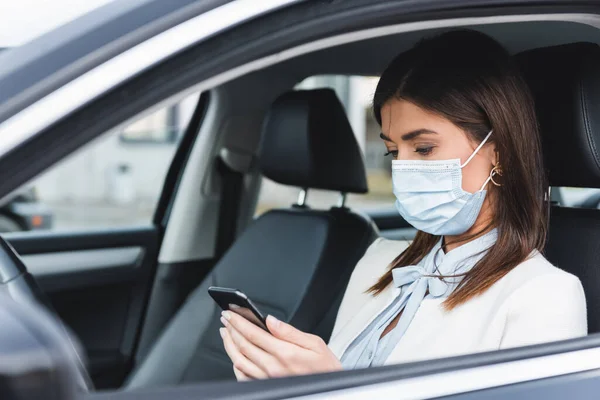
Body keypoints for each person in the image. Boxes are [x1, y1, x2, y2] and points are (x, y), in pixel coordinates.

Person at [218, 30, 587, 380]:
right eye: (394, 151)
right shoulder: (378, 262)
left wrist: (333, 390)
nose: (404, 168)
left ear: (500, 153)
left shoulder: (544, 296)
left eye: (424, 148)